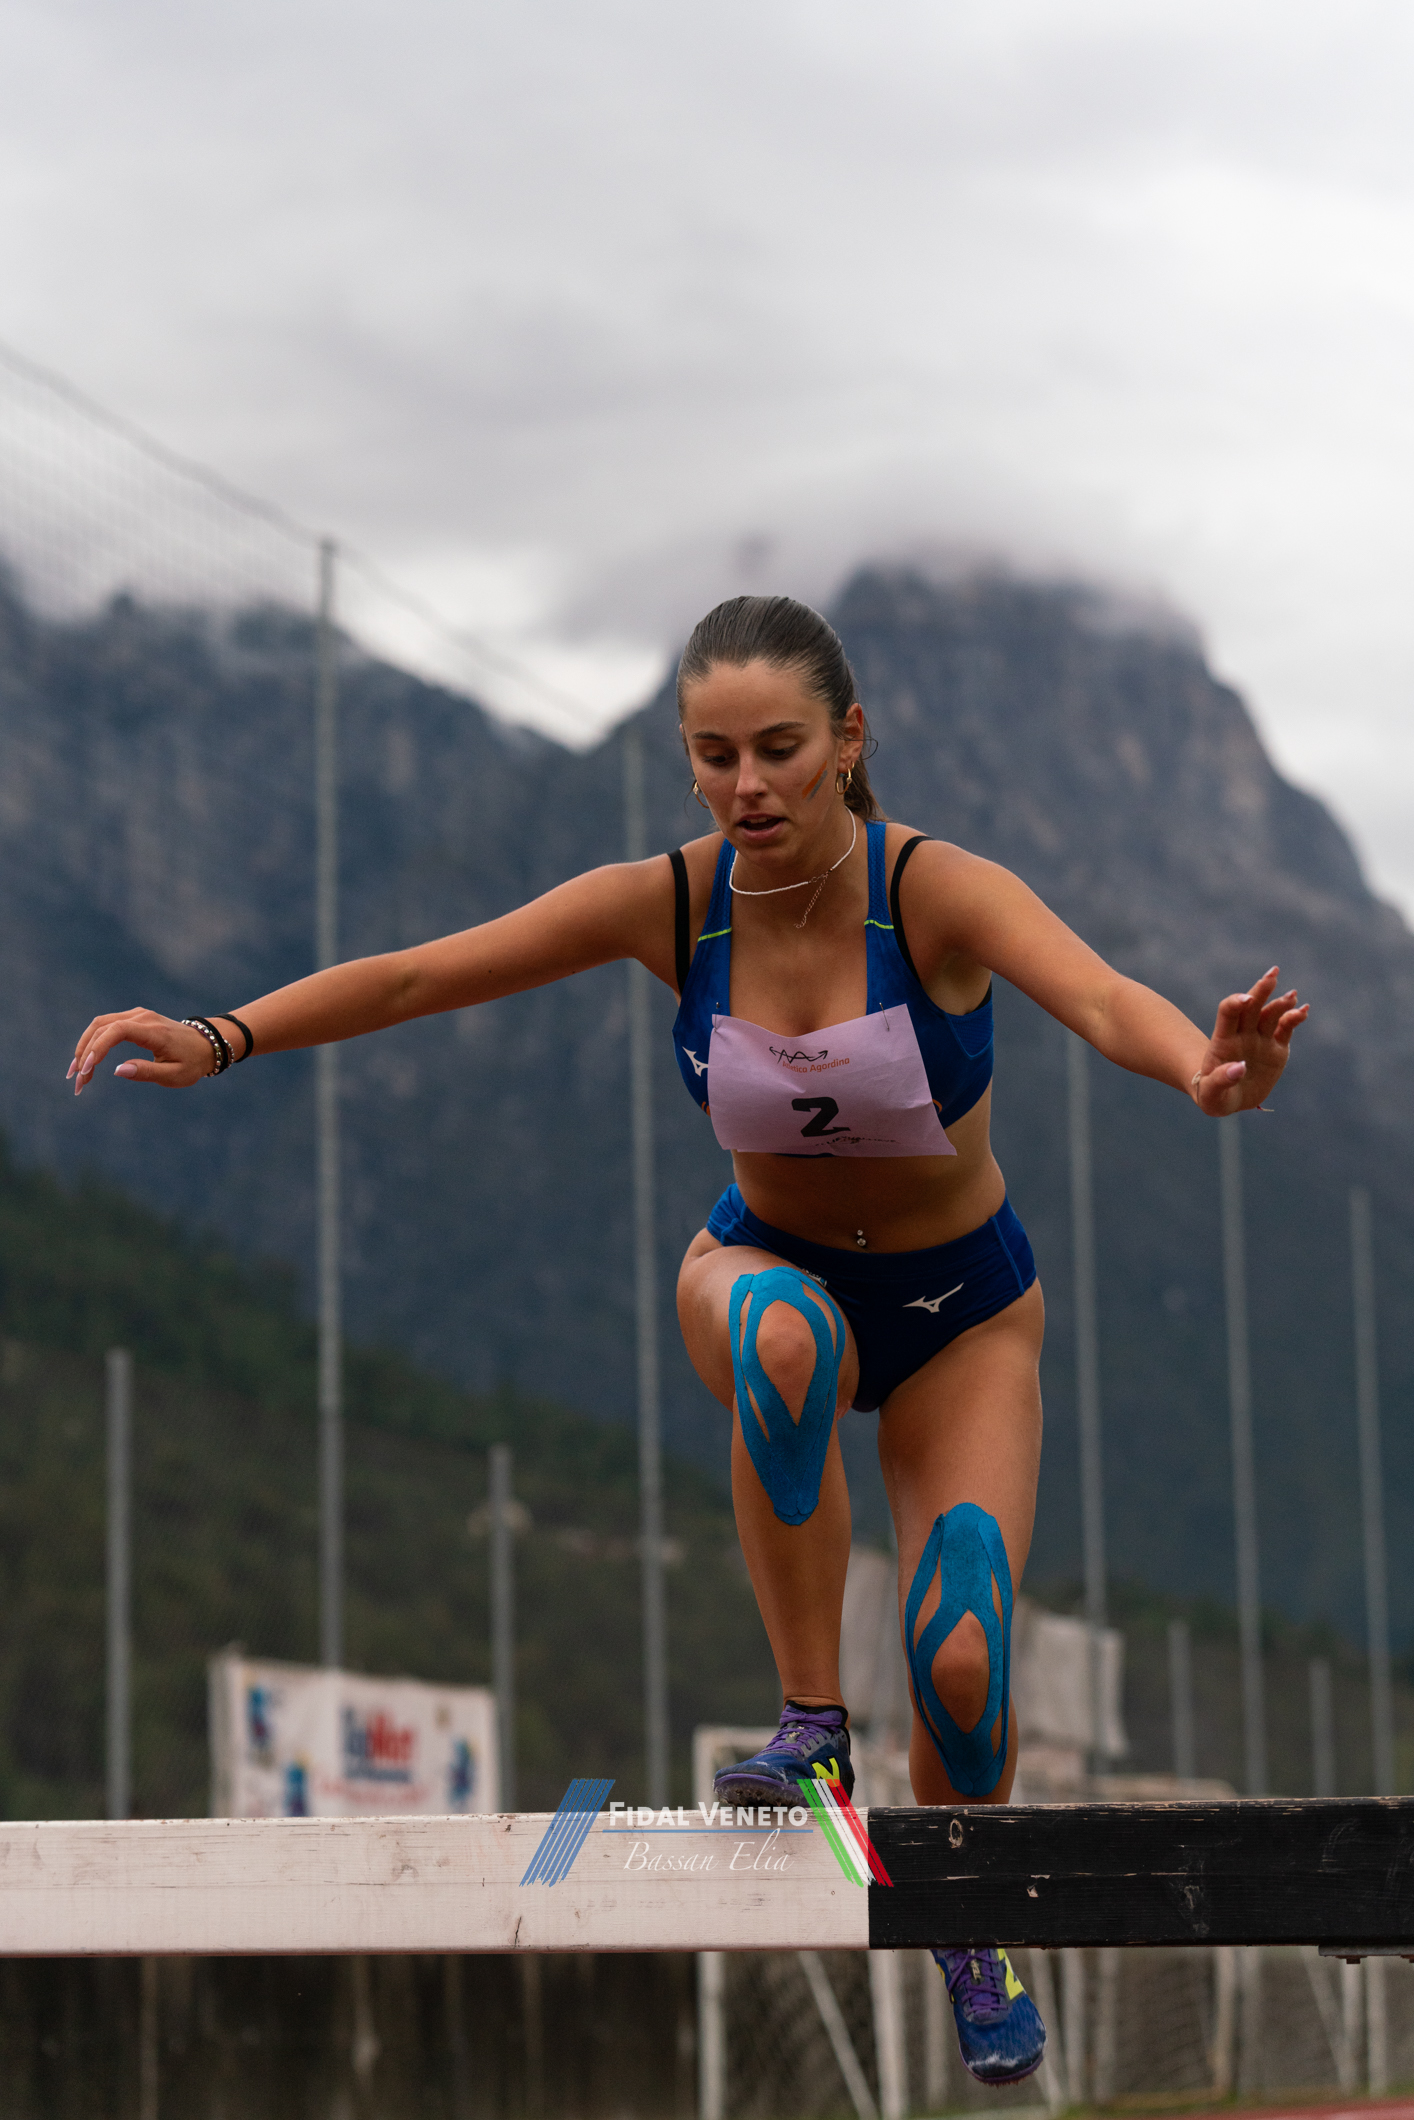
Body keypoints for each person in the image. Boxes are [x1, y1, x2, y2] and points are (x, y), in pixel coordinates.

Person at [70, 593, 1308, 2087]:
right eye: (714, 756)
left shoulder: (933, 893)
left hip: (960, 1312)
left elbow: (1103, 997)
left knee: (966, 1653)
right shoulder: (671, 904)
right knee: (784, 1339)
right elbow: (419, 973)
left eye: (779, 748)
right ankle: (811, 1725)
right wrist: (222, 1036)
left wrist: (1202, 1070)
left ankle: (969, 1929)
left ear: (847, 740)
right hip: (763, 1266)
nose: (748, 785)